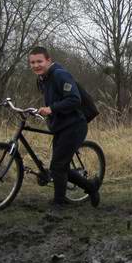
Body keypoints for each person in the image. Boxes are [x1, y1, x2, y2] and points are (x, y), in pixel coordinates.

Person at [28, 46, 101, 208]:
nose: (36, 65)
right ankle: (91, 187)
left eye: (39, 61)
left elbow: (74, 99)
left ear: (48, 60)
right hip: (61, 126)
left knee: (57, 166)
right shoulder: (43, 78)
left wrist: (51, 109)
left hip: (74, 125)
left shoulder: (60, 74)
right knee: (60, 166)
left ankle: (59, 203)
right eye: (32, 62)